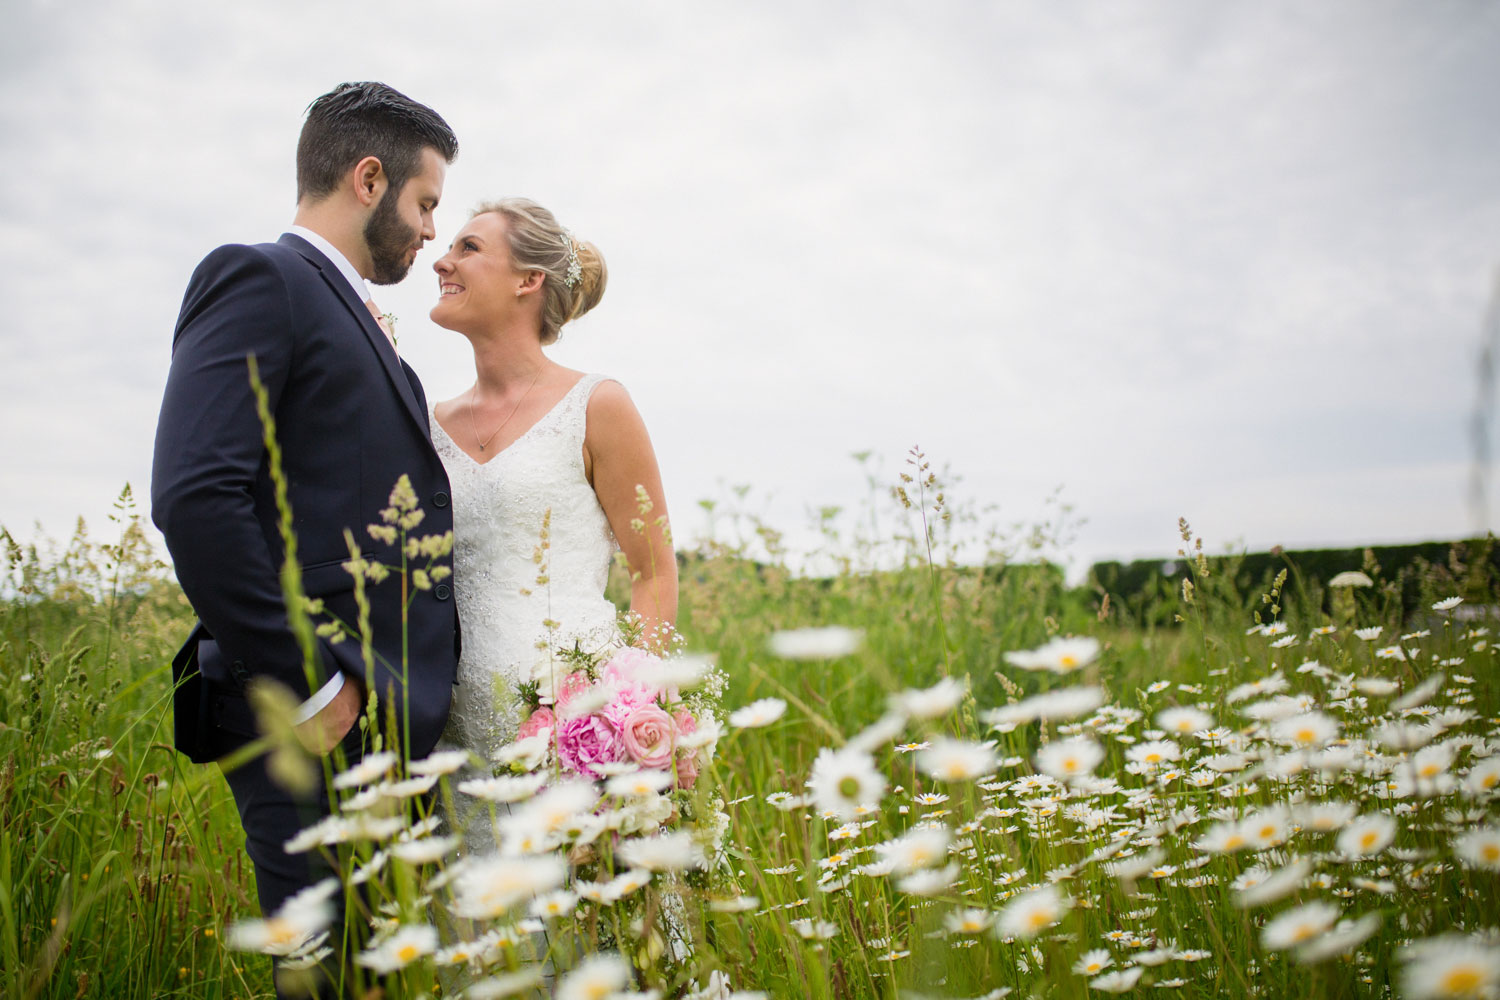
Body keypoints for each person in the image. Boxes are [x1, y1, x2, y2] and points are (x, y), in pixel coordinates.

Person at [150, 82, 460, 995]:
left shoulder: (349, 311)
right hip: (318, 716)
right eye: (426, 203)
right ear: (370, 178)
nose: (432, 232)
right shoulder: (261, 277)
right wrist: (310, 681)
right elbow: (197, 495)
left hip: (380, 719)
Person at [427, 198, 678, 785]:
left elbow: (653, 573)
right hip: (451, 741)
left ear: (528, 280)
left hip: (578, 737)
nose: (442, 261)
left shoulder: (598, 405)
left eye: (468, 248)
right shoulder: (426, 423)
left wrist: (630, 713)